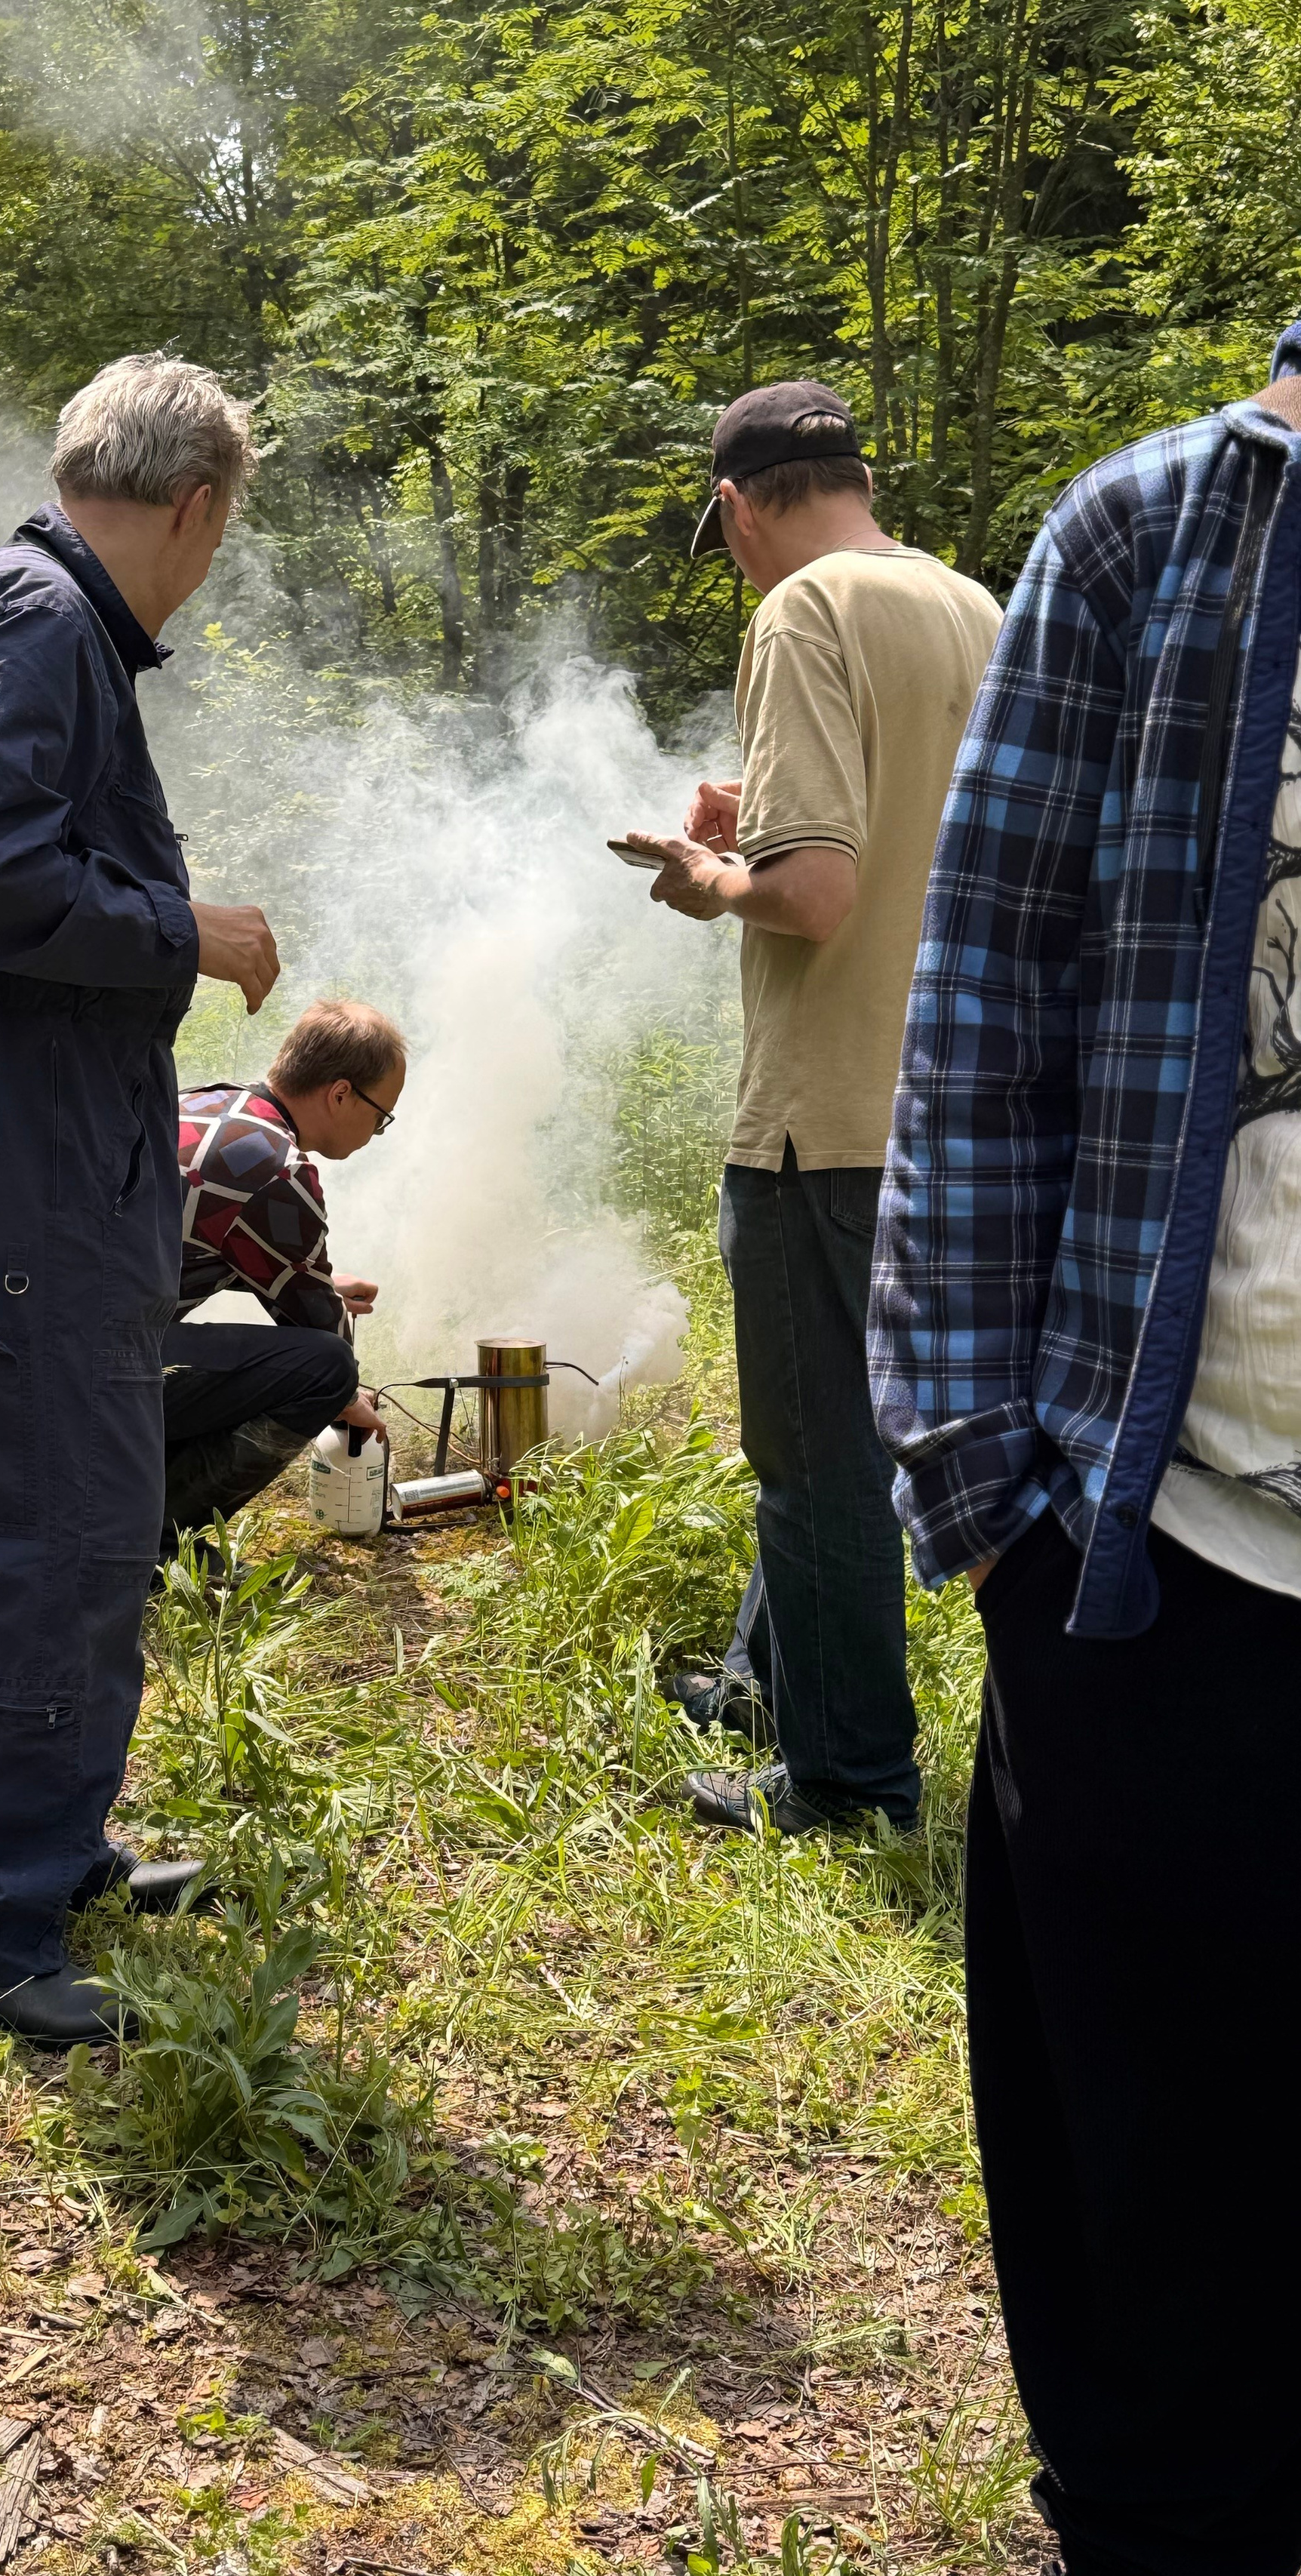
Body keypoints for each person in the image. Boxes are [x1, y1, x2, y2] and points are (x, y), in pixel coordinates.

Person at [869, 330, 1301, 2575]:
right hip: (1164, 1550)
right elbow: (981, 1005)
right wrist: (991, 1505)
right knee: (1144, 2182)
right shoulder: (1151, 539)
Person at [0, 353, 281, 2046]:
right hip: (26, 1131)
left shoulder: (17, 610)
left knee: (64, 1489)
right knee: (62, 1515)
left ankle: (49, 1844)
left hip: (30, 1120)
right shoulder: (42, 621)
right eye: (219, 534)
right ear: (191, 504)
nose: (206, 564)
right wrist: (187, 928)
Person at [618, 378, 1000, 1836]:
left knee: (815, 1457)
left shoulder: (799, 614)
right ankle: (762, 1680)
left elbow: (818, 894)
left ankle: (847, 1786)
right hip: (954, 1103)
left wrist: (705, 874)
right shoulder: (977, 603)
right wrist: (756, 831)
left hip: (822, 1117)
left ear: (737, 507)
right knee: (851, 1433)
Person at [162, 999, 403, 1555]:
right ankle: (152, 1534)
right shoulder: (277, 1168)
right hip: (92, 1372)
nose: (377, 1130)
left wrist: (322, 1283)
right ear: (341, 1093)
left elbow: (203, 1243)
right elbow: (320, 1331)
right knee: (326, 1371)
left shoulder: (209, 1104)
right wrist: (349, 1400)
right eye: (380, 1116)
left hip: (47, 1344)